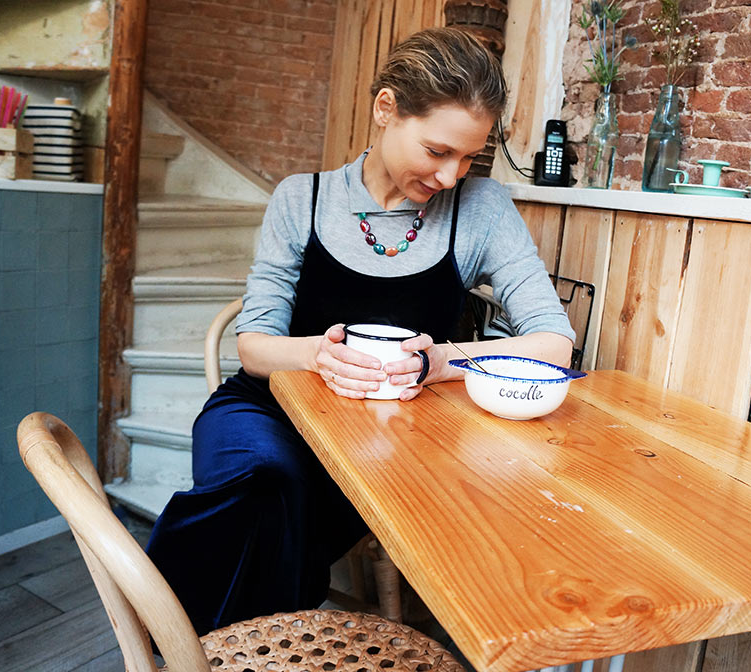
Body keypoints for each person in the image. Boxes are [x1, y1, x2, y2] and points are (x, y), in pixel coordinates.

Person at [145, 26, 575, 635]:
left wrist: (441, 363)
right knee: (262, 482)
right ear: (385, 110)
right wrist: (320, 357)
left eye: (470, 157)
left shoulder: (482, 210)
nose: (452, 176)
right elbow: (254, 345)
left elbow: (555, 342)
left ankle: (211, 640)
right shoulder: (302, 199)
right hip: (267, 410)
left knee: (293, 500)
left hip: (381, 440)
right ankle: (204, 639)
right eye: (436, 151)